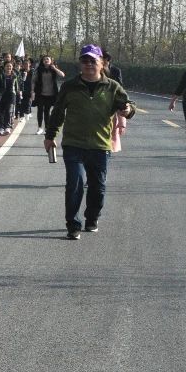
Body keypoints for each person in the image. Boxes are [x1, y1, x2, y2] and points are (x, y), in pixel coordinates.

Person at [45, 45, 135, 240]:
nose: (88, 65)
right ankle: (73, 225)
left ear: (102, 63)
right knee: (75, 183)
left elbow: (128, 105)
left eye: (93, 61)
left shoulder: (112, 86)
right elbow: (58, 112)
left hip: (100, 145)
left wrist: (128, 110)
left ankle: (92, 217)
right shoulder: (70, 86)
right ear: (80, 64)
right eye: (84, 61)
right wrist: (50, 136)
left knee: (98, 186)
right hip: (73, 144)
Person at [32, 55, 64, 136]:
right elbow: (33, 80)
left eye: (47, 59)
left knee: (47, 111)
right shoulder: (39, 69)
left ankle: (46, 128)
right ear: (42, 61)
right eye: (44, 59)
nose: (46, 60)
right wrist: (32, 91)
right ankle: (39, 128)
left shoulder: (53, 69)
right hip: (40, 93)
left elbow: (62, 75)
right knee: (40, 110)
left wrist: (55, 68)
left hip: (51, 94)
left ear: (51, 61)